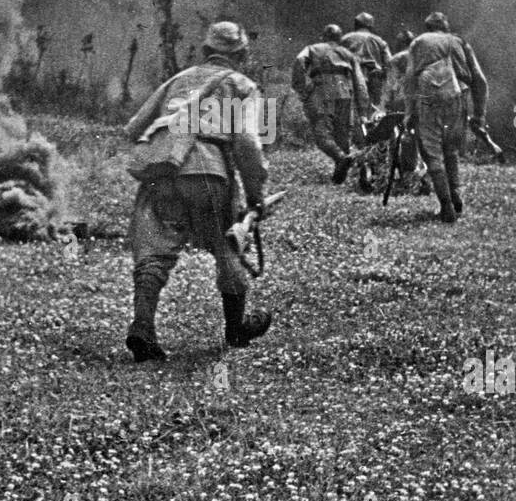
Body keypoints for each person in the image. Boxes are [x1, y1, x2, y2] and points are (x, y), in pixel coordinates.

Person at [123, 21, 273, 362]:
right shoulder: (241, 84)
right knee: (227, 245)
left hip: (163, 167)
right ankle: (236, 328)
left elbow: (134, 128)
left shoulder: (178, 79)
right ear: (242, 55)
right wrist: (255, 195)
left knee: (155, 251)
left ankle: (143, 326)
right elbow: (248, 143)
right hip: (208, 167)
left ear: (206, 52)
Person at [404, 12, 488, 222]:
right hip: (458, 97)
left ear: (427, 27)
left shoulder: (418, 42)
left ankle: (447, 206)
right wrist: (479, 115)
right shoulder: (459, 41)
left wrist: (409, 112)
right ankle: (456, 195)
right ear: (445, 26)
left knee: (432, 152)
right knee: (450, 149)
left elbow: (409, 80)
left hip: (428, 95)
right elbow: (480, 79)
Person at [291, 23, 371, 184]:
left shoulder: (312, 48)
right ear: (339, 38)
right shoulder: (347, 53)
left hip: (322, 90)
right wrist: (362, 108)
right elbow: (360, 82)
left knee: (321, 134)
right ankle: (339, 174)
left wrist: (303, 89)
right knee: (343, 135)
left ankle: (341, 159)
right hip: (344, 92)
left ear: (324, 36)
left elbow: (300, 61)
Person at [339, 12, 391, 108]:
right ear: (371, 26)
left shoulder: (345, 39)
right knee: (374, 106)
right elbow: (388, 62)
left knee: (352, 105)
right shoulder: (379, 41)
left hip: (351, 75)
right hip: (374, 76)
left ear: (356, 24)